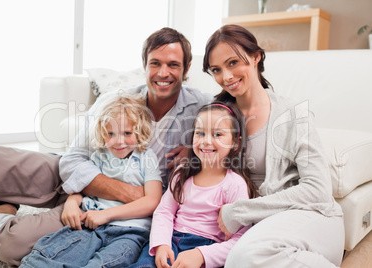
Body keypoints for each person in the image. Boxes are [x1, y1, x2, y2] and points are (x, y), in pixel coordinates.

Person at [0, 27, 212, 266]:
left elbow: (225, 143)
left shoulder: (202, 107)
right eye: (155, 63)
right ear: (145, 65)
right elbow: (74, 159)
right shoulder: (115, 101)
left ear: (187, 68)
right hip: (80, 175)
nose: (163, 72)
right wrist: (109, 193)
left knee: (13, 244)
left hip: (108, 208)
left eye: (173, 65)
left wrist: (194, 152)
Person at [202, 24, 344, 267]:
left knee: (244, 257)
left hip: (308, 217)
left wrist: (238, 212)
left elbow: (318, 190)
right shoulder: (217, 116)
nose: (226, 77)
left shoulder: (293, 114)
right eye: (217, 69)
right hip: (258, 226)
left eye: (233, 62)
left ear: (256, 57)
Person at [20, 93, 163, 267]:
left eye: (127, 133)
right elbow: (82, 189)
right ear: (103, 133)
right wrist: (71, 203)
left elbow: (153, 201)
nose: (119, 142)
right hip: (91, 226)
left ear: (139, 132)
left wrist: (105, 215)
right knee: (44, 255)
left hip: (130, 231)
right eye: (111, 134)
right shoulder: (99, 156)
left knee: (102, 264)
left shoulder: (146, 158)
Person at [129, 102, 257, 268]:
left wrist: (202, 255)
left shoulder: (235, 185)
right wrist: (161, 244)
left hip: (205, 250)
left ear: (235, 143)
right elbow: (165, 211)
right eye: (200, 133)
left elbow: (240, 238)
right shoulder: (182, 173)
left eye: (217, 134)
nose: (206, 141)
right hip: (170, 240)